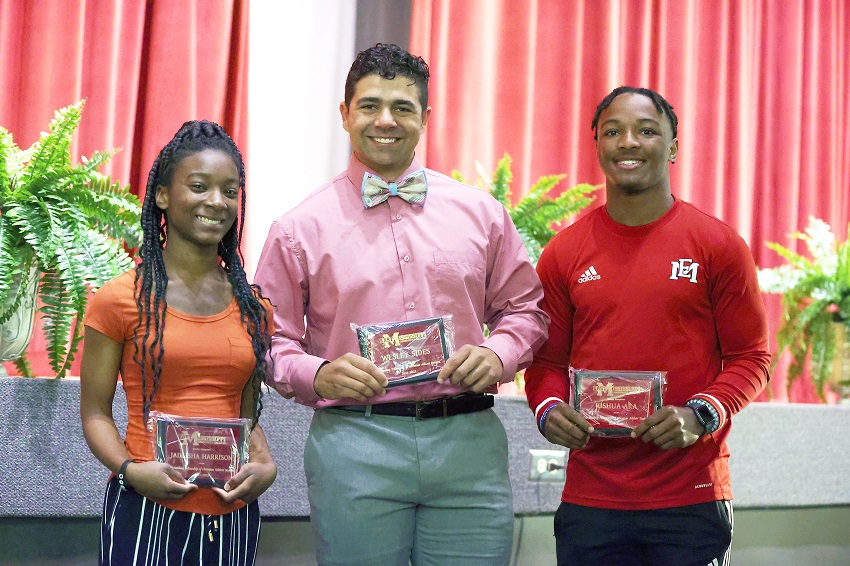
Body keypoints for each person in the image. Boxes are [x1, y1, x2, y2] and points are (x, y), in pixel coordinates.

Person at [253, 43, 548, 566]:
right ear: (345, 114)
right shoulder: (299, 228)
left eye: (402, 107)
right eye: (369, 105)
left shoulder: (482, 214)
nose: (385, 120)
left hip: (468, 445)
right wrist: (318, 374)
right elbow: (268, 342)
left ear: (425, 118)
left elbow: (525, 310)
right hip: (354, 443)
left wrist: (499, 353)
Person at [524, 86, 771, 566]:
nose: (628, 142)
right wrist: (549, 409)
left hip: (690, 496)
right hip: (591, 498)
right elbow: (545, 362)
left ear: (674, 147)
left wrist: (701, 414)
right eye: (612, 132)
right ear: (597, 146)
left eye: (646, 130)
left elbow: (752, 358)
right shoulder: (563, 252)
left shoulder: (718, 245)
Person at [80, 120, 277, 565]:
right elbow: (94, 412)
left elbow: (245, 414)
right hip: (146, 506)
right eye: (199, 186)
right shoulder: (118, 300)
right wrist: (130, 471)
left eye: (230, 191)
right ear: (163, 196)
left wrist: (264, 464)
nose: (216, 201)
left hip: (232, 513)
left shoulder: (253, 307)